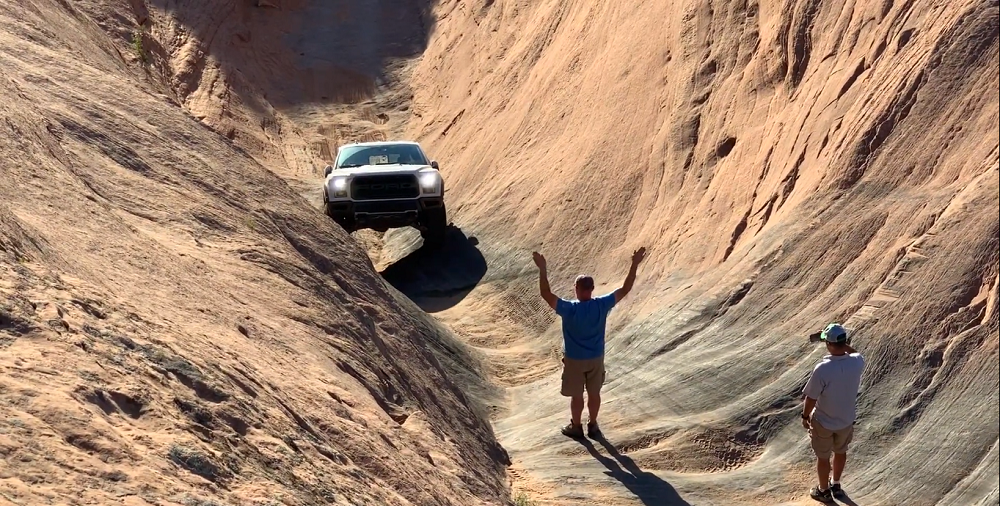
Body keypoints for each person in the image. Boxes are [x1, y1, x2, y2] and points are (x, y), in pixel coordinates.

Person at [531, 247, 647, 439]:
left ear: (576, 289)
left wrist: (542, 269)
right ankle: (593, 425)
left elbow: (546, 294)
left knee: (577, 396)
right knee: (594, 394)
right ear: (592, 289)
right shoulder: (601, 304)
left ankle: (576, 427)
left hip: (574, 360)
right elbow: (625, 289)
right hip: (596, 358)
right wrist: (634, 264)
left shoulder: (569, 309)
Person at [801, 323, 866, 502]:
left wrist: (805, 416)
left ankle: (823, 491)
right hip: (846, 420)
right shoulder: (857, 362)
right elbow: (854, 352)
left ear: (828, 344)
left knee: (823, 457)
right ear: (844, 342)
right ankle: (836, 484)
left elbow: (811, 398)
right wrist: (842, 344)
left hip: (823, 422)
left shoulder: (823, 369)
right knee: (840, 452)